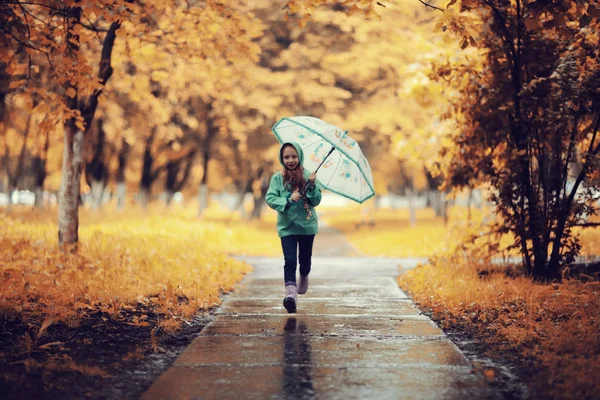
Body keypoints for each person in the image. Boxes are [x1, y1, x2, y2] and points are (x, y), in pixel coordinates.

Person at [266, 142, 322, 313]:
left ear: (300, 157)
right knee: (290, 260)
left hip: (306, 226)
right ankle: (290, 295)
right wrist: (288, 200)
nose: (290, 160)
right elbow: (270, 198)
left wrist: (311, 186)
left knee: (304, 260)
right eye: (286, 157)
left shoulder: (309, 176)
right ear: (281, 159)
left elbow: (316, 201)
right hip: (287, 226)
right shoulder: (277, 178)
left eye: (294, 156)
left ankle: (304, 274)